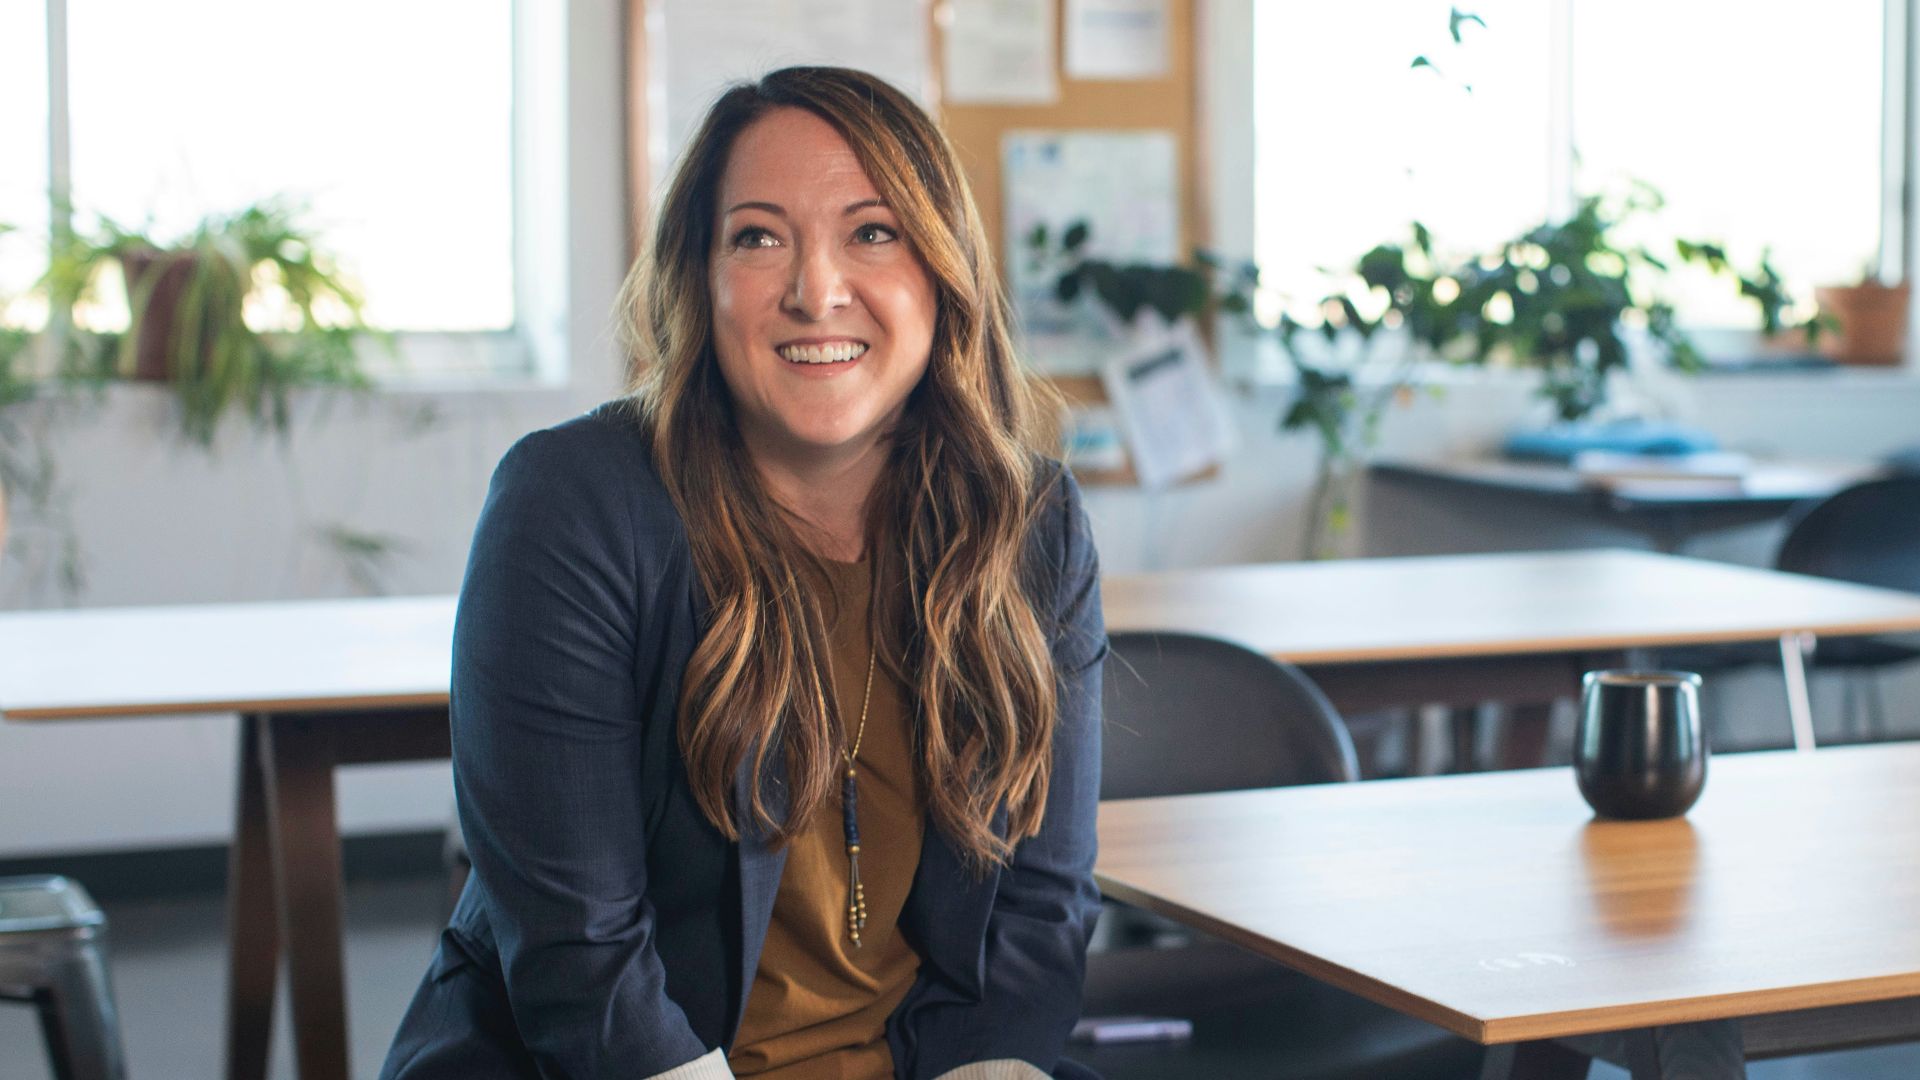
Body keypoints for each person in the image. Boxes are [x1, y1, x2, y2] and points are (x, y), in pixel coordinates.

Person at [379, 66, 1107, 1080]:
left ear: (944, 272)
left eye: (873, 232)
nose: (817, 291)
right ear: (701, 277)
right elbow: (579, 955)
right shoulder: (573, 504)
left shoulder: (1028, 523)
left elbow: (1039, 909)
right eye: (758, 237)